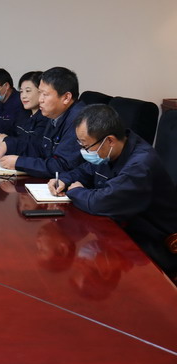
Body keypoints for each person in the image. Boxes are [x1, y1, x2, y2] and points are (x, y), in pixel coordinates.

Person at [47, 104, 177, 278]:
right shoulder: (112, 150)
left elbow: (102, 201)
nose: (83, 151)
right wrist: (65, 180)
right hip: (120, 227)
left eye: (86, 146)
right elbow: (87, 170)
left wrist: (75, 191)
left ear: (109, 140)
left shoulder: (140, 164)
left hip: (151, 244)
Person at [0, 66, 86, 177]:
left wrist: (19, 162)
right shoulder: (55, 114)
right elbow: (42, 149)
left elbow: (61, 166)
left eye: (45, 94)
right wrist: (9, 145)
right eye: (40, 93)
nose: (40, 99)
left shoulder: (80, 121)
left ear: (66, 97)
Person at [0, 71, 48, 144]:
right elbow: (17, 136)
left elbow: (32, 145)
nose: (23, 96)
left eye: (28, 91)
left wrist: (7, 140)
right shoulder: (24, 114)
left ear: (41, 92)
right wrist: (1, 136)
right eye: (21, 91)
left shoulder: (45, 118)